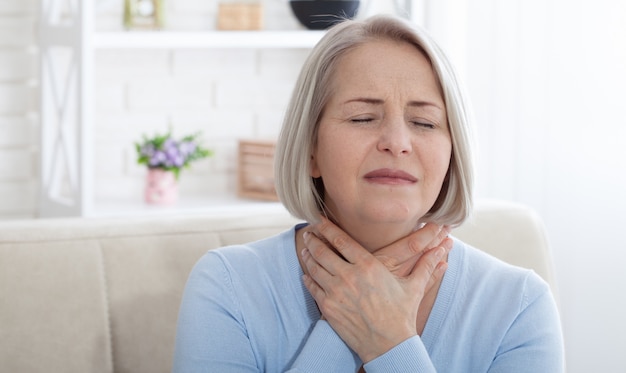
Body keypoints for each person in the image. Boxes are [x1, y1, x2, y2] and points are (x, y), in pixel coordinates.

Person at [172, 15, 564, 372]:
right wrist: (350, 320)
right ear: (311, 150)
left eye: (424, 123)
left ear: (452, 153)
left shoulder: (520, 306)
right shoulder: (228, 285)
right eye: (363, 118)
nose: (397, 142)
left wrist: (390, 340)